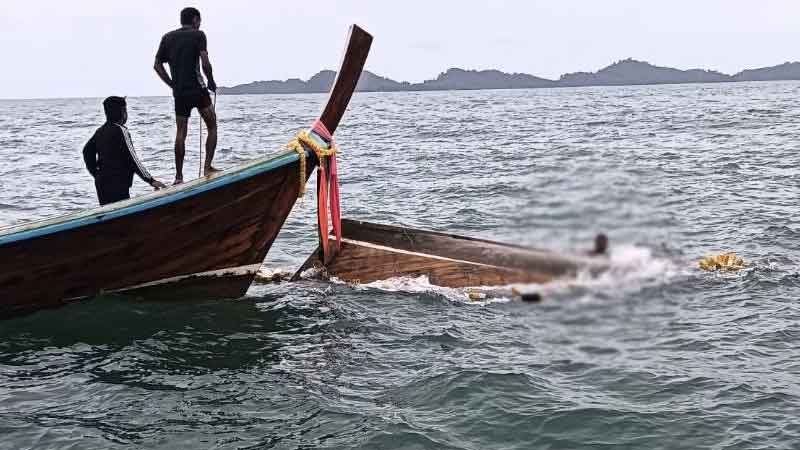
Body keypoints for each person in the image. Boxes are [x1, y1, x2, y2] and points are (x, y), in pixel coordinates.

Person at [153, 6, 219, 185]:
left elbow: (157, 65)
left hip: (180, 93)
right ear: (195, 20)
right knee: (212, 125)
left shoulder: (167, 38)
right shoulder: (199, 35)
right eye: (200, 21)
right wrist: (211, 81)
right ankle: (207, 167)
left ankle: (179, 177)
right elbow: (205, 62)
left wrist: (172, 84)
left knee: (181, 132)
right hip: (198, 89)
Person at [83, 97, 166, 205]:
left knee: (109, 214)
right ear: (123, 112)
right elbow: (133, 159)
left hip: (101, 183)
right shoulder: (121, 131)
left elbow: (86, 151)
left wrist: (96, 173)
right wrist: (151, 180)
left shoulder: (100, 131)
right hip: (118, 183)